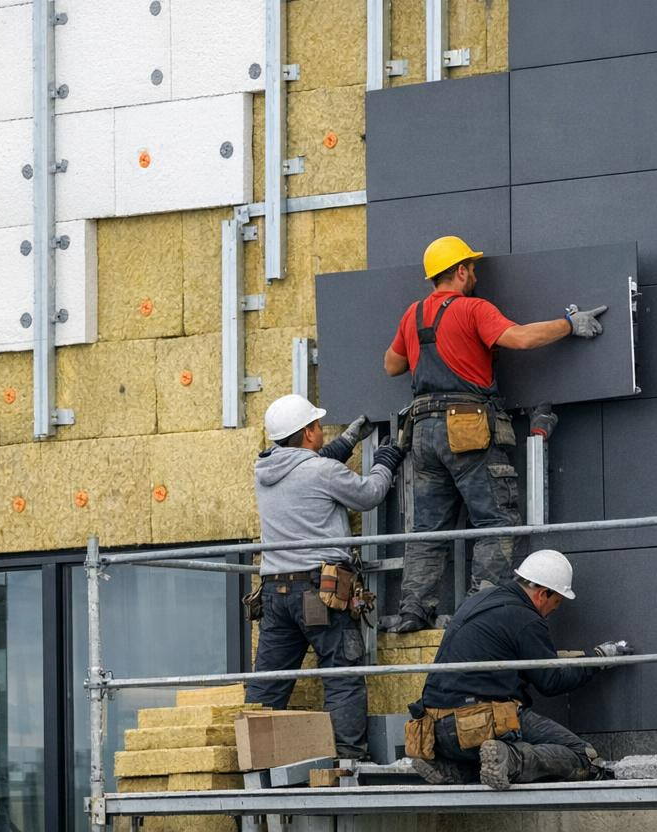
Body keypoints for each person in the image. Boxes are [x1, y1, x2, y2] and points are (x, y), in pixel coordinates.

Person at [382, 235, 607, 632]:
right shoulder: (473, 308)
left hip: (422, 430)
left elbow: (392, 365)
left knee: (427, 531)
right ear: (460, 271)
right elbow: (520, 338)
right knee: (496, 522)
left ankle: (412, 612)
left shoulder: (412, 315)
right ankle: (479, 611)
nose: (475, 275)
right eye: (472, 269)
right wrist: (569, 324)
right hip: (467, 426)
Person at [247, 393, 407, 759]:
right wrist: (386, 460)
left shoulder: (265, 472)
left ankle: (252, 760)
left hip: (275, 593)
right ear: (307, 434)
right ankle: (348, 760)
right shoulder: (321, 471)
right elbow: (368, 494)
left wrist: (348, 441)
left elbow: (308, 471)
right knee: (341, 673)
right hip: (317, 593)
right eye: (317, 426)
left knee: (269, 682)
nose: (321, 430)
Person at [406, 549, 634, 789]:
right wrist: (597, 659)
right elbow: (552, 682)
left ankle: (452, 770)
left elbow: (506, 656)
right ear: (543, 594)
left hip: (437, 732)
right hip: (477, 724)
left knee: (488, 757)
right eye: (557, 601)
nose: (554, 610)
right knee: (582, 757)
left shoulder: (479, 600)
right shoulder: (526, 618)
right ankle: (513, 760)